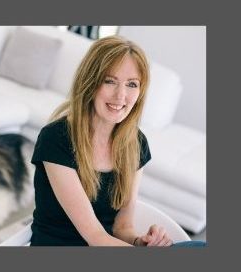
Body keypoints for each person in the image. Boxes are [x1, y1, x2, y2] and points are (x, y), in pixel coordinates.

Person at [29, 35, 205, 247]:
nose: (121, 96)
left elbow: (122, 227)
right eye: (110, 81)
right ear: (90, 83)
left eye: (132, 84)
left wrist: (141, 242)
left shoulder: (136, 144)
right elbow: (95, 236)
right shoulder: (56, 139)